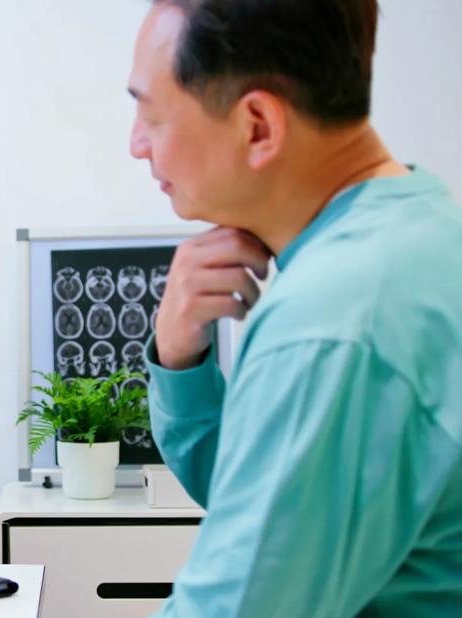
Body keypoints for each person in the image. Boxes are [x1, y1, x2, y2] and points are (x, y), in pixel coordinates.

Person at [128, 0, 462, 614]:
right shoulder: (419, 226)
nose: (136, 146)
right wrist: (180, 361)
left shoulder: (334, 320)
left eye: (150, 114)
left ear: (258, 125)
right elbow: (274, 498)